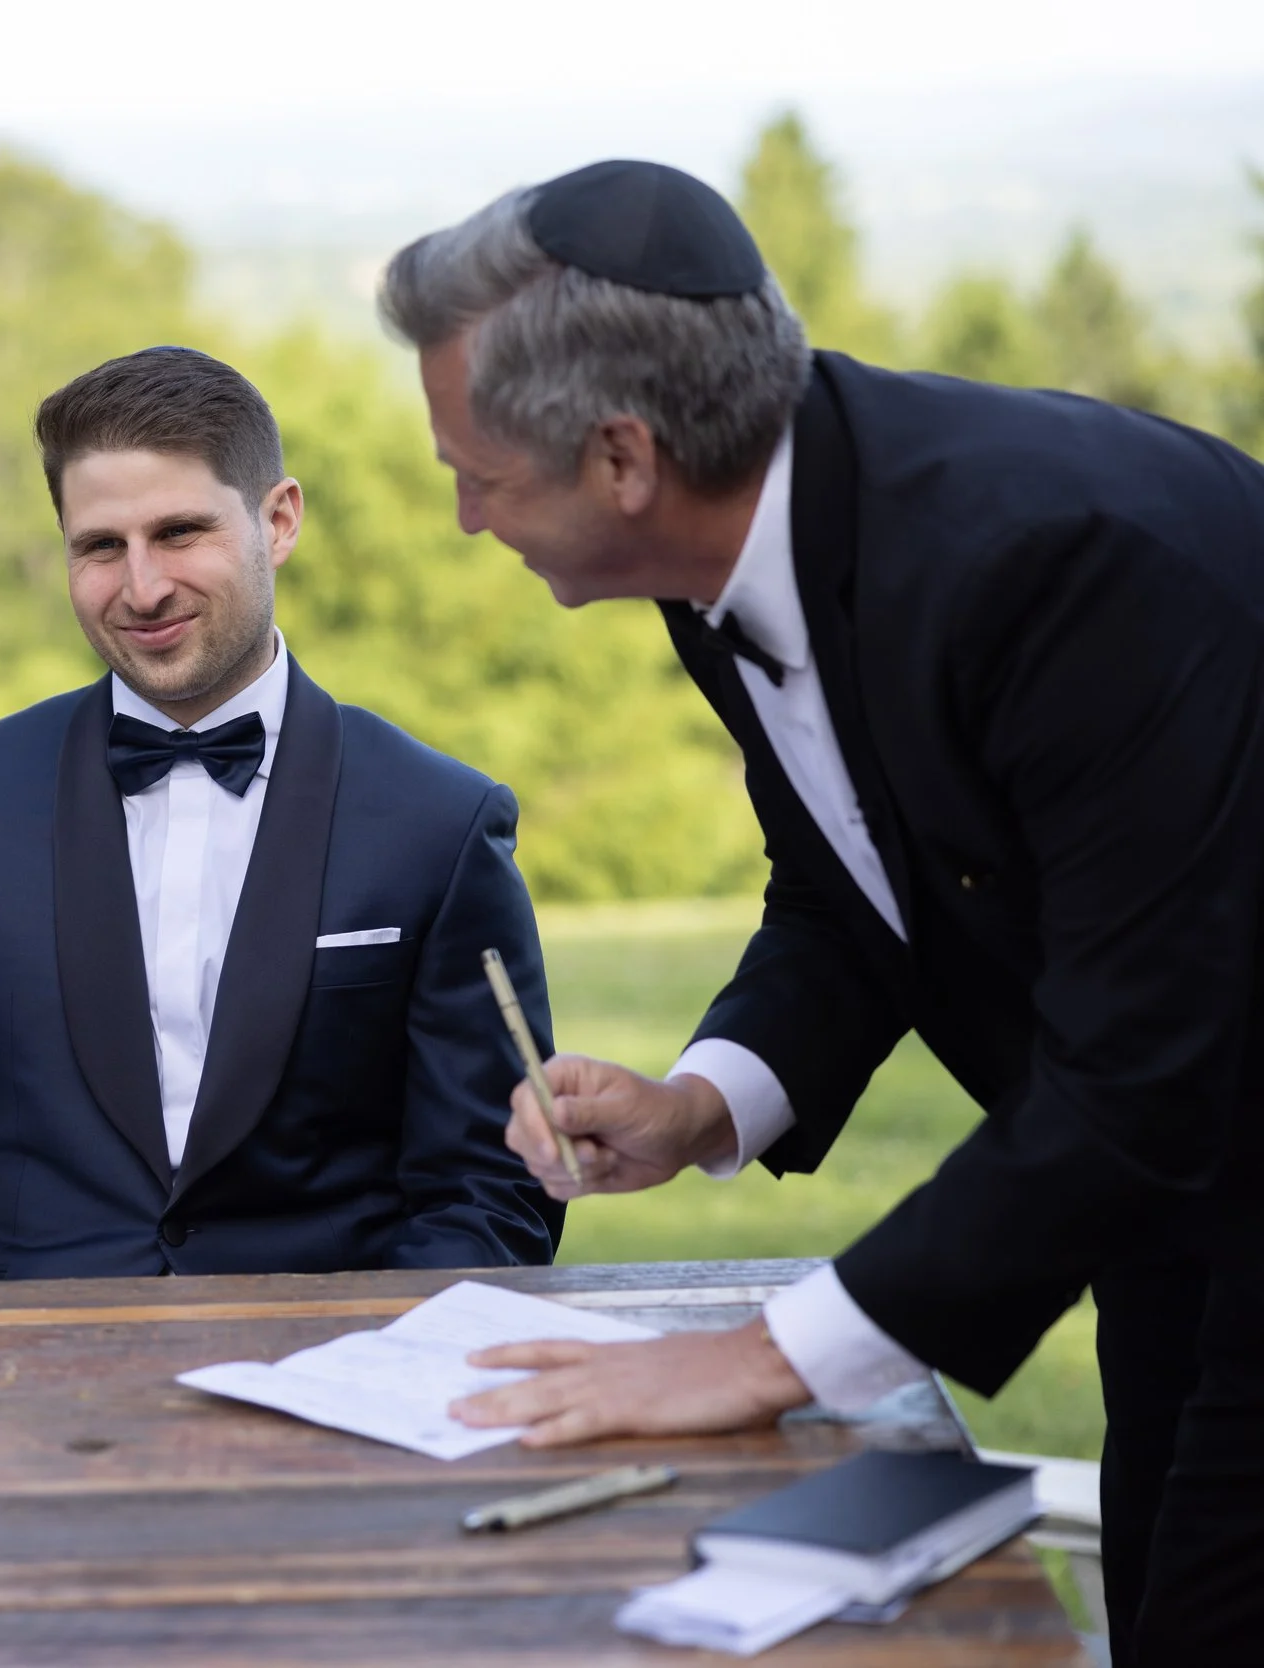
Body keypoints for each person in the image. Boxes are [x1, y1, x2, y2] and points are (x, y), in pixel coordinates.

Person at [378, 161, 1264, 1664]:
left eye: (478, 474)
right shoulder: (728, 545)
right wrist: (700, 1103)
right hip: (1172, 1199)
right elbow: (857, 880)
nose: (467, 518)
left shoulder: (1061, 571)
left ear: (621, 455)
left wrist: (761, 1360)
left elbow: (1142, 1072)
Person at [0, 346, 562, 1345]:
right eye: (99, 547)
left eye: (178, 532)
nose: (140, 587)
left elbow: (490, 1183)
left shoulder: (438, 821)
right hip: (31, 1364)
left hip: (330, 1362)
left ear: (276, 521)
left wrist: (382, 1363)